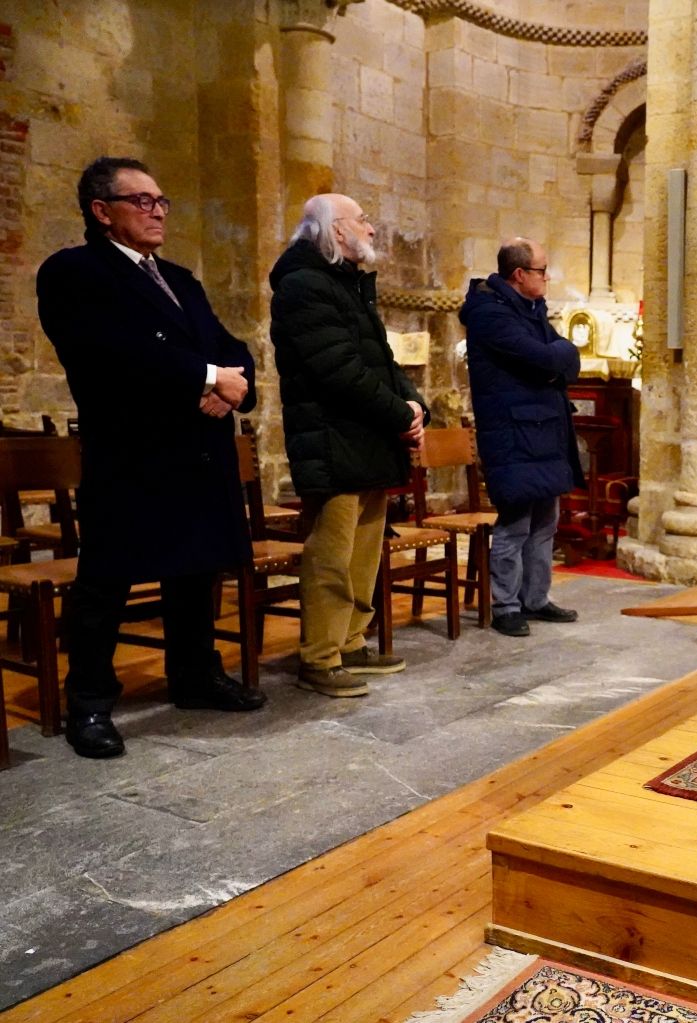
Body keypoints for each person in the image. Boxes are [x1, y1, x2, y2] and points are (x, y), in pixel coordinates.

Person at [36, 156, 266, 758]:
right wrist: (212, 375)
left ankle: (193, 674)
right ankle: (88, 701)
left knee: (196, 569)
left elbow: (230, 346)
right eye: (142, 201)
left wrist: (227, 381)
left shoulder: (181, 279)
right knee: (107, 579)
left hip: (197, 446)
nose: (158, 210)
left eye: (162, 200)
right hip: (133, 449)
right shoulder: (75, 272)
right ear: (101, 211)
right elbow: (110, 353)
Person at [269, 194, 428, 698]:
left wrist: (415, 403)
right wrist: (399, 414)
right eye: (363, 220)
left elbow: (381, 359)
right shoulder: (303, 287)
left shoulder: (347, 284)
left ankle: (352, 642)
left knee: (363, 553)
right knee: (331, 556)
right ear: (336, 230)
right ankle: (319, 656)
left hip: (366, 439)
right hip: (332, 439)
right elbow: (339, 371)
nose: (372, 229)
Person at [459, 237, 584, 638]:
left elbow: (567, 356)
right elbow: (546, 358)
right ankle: (506, 605)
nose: (547, 278)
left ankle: (536, 598)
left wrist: (554, 361)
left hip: (543, 428)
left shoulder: (530, 310)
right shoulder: (490, 314)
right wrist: (553, 362)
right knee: (515, 523)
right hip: (513, 431)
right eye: (541, 271)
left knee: (546, 521)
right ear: (519, 274)